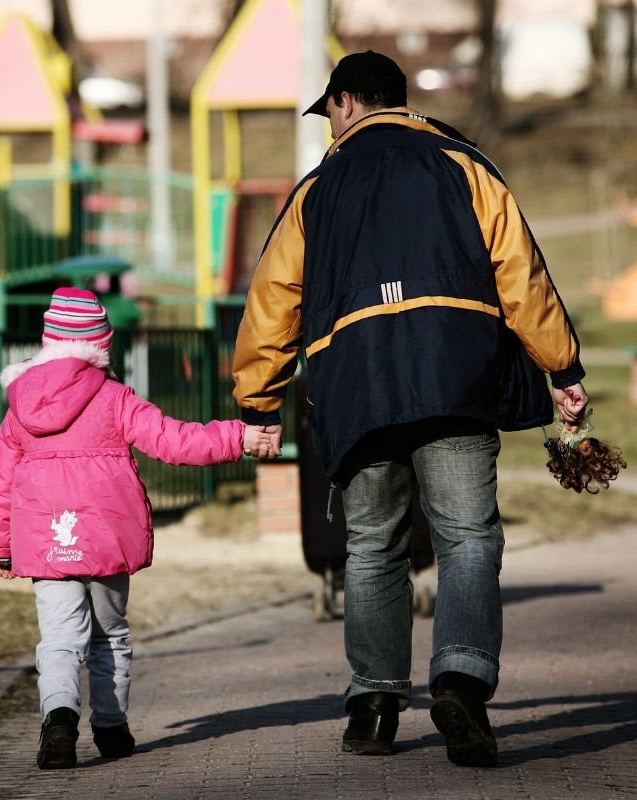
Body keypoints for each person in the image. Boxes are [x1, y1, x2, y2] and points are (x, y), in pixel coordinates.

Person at [231, 51, 589, 767]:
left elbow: (274, 300)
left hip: (355, 383)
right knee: (468, 537)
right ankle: (460, 677)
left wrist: (257, 401)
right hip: (454, 373)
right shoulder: (465, 164)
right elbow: (519, 270)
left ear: (346, 103)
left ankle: (372, 706)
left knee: (373, 546)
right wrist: (562, 365)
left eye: (329, 111)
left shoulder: (319, 188)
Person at [0, 287, 271, 769]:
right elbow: (174, 440)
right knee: (109, 634)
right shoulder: (115, 399)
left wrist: (0, 546)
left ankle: (58, 720)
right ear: (100, 346)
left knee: (58, 639)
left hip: (47, 540)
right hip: (107, 537)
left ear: (50, 341)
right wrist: (238, 436)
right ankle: (111, 728)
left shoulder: (20, 406)